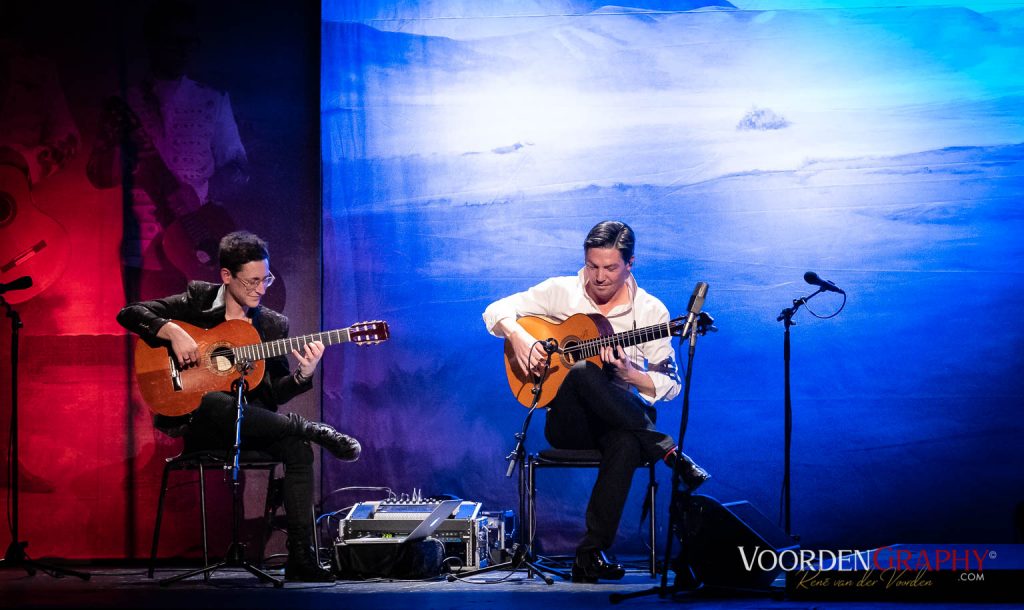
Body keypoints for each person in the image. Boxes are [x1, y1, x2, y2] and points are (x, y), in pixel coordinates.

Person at [117, 231, 358, 582]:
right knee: (214, 400)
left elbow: (273, 395)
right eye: (253, 281)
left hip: (252, 425)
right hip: (199, 423)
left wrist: (303, 376)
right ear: (227, 276)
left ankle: (303, 559)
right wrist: (171, 330)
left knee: (297, 447)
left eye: (267, 279)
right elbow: (129, 313)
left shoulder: (273, 324)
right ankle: (309, 426)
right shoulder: (198, 299)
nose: (262, 289)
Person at [482, 220, 711, 583]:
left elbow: (671, 385)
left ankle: (588, 556)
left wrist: (629, 376)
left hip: (620, 419)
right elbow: (494, 311)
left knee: (624, 440)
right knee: (583, 372)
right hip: (568, 423)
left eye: (610, 268)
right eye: (592, 266)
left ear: (630, 264)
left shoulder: (651, 312)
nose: (599, 276)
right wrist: (521, 338)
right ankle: (667, 449)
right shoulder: (561, 291)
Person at [88, 0, 248, 302]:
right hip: (144, 245)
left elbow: (240, 169)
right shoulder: (125, 100)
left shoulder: (212, 99)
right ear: (153, 42)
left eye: (190, 41)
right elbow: (98, 174)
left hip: (200, 242)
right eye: (174, 41)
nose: (183, 49)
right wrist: (126, 154)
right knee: (150, 344)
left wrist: (198, 189)